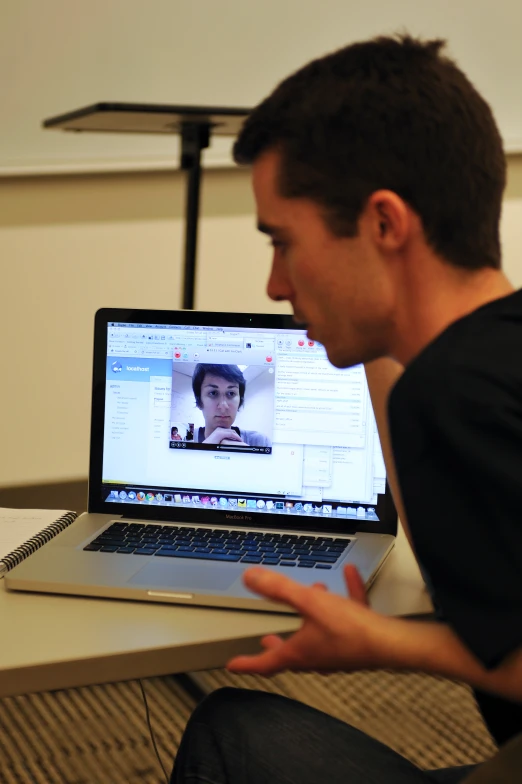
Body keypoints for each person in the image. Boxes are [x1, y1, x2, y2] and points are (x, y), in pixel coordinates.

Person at [171, 34, 522, 783]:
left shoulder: (454, 395)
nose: (274, 283)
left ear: (384, 224)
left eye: (283, 242)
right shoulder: (486, 356)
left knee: (229, 737)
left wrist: (378, 643)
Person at [191, 363, 271, 448]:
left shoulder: (260, 442)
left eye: (231, 393)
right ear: (199, 400)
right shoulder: (183, 439)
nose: (223, 406)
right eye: (213, 393)